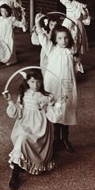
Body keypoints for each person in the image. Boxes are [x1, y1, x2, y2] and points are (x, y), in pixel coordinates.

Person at [3, 69, 63, 190]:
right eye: (32, 81)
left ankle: (16, 172)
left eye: (38, 82)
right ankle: (15, 173)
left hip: (39, 126)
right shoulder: (23, 94)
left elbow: (54, 115)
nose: (35, 85)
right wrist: (10, 100)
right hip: (24, 123)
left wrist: (60, 103)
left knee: (24, 140)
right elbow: (17, 112)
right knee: (21, 138)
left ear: (42, 82)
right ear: (27, 82)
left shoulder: (46, 97)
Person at [35, 16, 78, 153]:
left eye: (65, 38)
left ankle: (65, 138)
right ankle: (55, 140)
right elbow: (42, 35)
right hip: (52, 85)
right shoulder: (51, 49)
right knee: (54, 109)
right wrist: (38, 22)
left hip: (67, 85)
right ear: (54, 39)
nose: (63, 41)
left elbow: (77, 42)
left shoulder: (70, 51)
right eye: (59, 38)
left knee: (66, 110)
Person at [59, 0, 91, 73]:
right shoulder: (68, 4)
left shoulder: (81, 5)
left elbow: (86, 18)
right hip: (69, 24)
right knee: (68, 43)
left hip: (78, 25)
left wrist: (84, 12)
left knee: (78, 44)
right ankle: (66, 64)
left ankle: (77, 64)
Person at [0, 4, 27, 71]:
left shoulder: (11, 19)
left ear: (8, 11)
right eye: (2, 11)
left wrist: (23, 16)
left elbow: (21, 24)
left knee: (2, 48)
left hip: (6, 39)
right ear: (0, 12)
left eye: (6, 11)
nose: (4, 13)